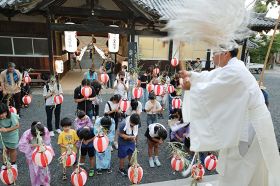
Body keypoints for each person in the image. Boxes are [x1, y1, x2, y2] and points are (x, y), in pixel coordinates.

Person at [180, 48, 280, 186]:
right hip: (246, 121)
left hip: (250, 125)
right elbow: (212, 76)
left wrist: (191, 87)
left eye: (214, 53)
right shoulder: (233, 66)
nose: (212, 57)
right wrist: (191, 75)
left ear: (225, 53)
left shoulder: (235, 71)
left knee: (241, 166)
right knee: (237, 165)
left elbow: (213, 89)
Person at [18, 121, 52, 186]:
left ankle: (45, 182)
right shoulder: (27, 133)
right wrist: (32, 145)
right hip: (31, 153)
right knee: (33, 170)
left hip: (42, 152)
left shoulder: (44, 130)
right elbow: (22, 145)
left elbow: (47, 142)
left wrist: (43, 147)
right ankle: (36, 183)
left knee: (44, 168)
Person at [0, 103, 20, 167]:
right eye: (1, 114)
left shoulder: (12, 116)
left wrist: (6, 130)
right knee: (4, 150)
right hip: (3, 137)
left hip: (12, 137)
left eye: (4, 113)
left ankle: (13, 163)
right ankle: (5, 163)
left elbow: (17, 126)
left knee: (12, 150)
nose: (3, 115)